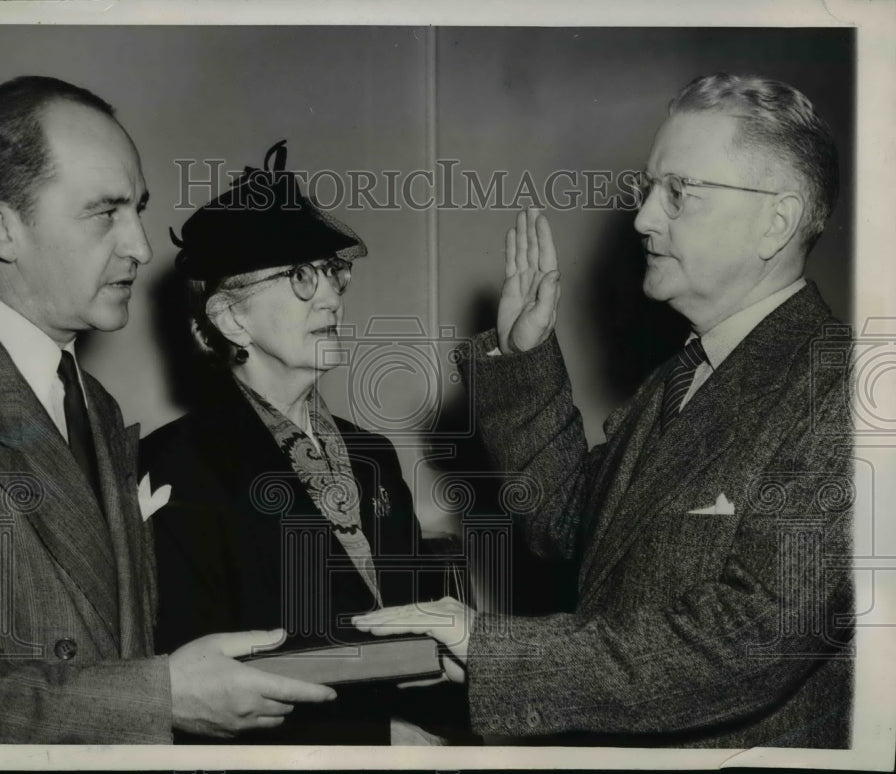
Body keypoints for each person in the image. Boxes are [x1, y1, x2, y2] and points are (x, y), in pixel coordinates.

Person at [355, 73, 854, 748]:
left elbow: (748, 641)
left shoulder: (841, 392)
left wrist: (490, 646)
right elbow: (569, 525)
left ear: (777, 220)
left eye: (678, 192)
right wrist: (522, 356)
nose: (644, 217)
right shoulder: (681, 377)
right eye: (650, 189)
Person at [0, 76, 337, 743]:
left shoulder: (97, 406)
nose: (141, 246)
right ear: (2, 229)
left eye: (137, 210)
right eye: (105, 212)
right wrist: (159, 696)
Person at [139, 140, 465, 745]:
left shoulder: (372, 455)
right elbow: (206, 692)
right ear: (231, 319)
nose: (332, 295)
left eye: (332, 272)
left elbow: (424, 631)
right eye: (298, 276)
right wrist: (374, 737)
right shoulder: (175, 466)